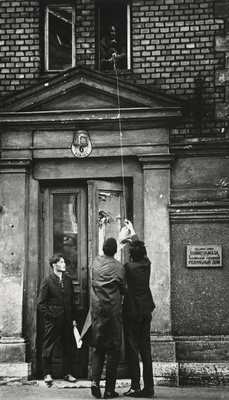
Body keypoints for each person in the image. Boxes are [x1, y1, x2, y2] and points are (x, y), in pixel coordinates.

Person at [90, 237, 128, 399]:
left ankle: (95, 382)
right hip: (112, 312)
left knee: (99, 349)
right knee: (113, 350)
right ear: (115, 251)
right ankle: (109, 390)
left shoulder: (96, 262)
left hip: (98, 311)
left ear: (103, 249)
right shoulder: (118, 267)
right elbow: (124, 289)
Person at [122, 221, 155, 398]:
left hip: (132, 313)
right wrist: (133, 234)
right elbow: (143, 252)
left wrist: (123, 242)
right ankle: (149, 388)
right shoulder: (146, 264)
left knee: (132, 349)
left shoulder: (128, 267)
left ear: (131, 255)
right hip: (145, 311)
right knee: (146, 350)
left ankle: (135, 386)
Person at [37, 253, 77, 384]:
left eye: (64, 261)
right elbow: (41, 303)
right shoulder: (47, 281)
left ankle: (68, 373)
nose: (64, 264)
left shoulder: (68, 280)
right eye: (61, 262)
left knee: (68, 346)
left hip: (67, 319)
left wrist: (73, 319)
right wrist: (51, 315)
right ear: (54, 265)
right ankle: (47, 374)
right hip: (53, 320)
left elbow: (72, 302)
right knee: (48, 346)